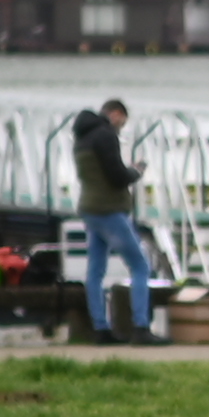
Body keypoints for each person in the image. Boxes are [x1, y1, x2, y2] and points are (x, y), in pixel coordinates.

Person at [67, 97, 155, 341]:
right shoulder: (105, 135)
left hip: (89, 208)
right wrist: (136, 171)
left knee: (95, 271)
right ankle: (141, 328)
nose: (121, 127)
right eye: (122, 122)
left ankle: (100, 329)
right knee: (140, 266)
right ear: (115, 114)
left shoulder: (81, 137)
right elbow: (117, 176)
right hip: (109, 210)